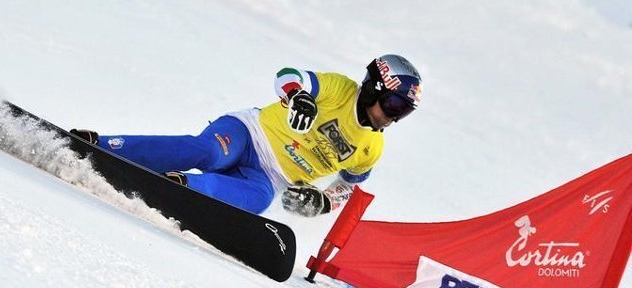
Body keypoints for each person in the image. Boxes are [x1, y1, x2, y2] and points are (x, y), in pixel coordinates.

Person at [71, 54, 422, 216]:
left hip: (270, 176)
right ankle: (100, 146)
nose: (393, 118)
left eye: (403, 112)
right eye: (393, 105)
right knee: (209, 153)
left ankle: (181, 188)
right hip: (248, 133)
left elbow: (348, 185)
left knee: (258, 201)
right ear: (375, 89)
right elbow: (288, 74)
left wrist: (322, 202)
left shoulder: (371, 146)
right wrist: (297, 95)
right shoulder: (339, 90)